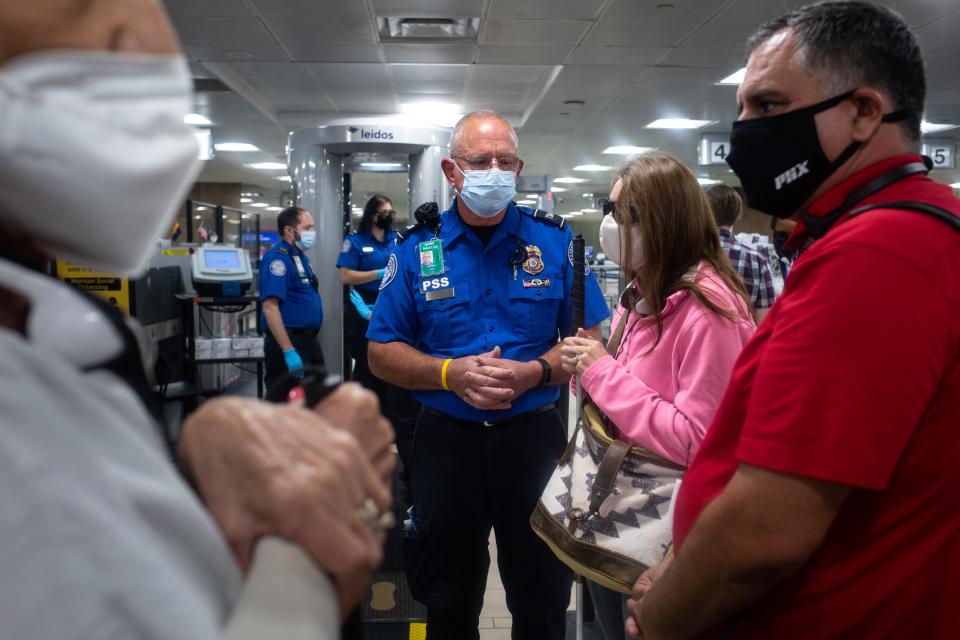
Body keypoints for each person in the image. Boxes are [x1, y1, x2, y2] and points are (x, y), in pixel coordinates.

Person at [0, 1, 394, 637]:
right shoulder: (17, 403)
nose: (138, 31)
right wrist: (310, 540)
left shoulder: (62, 332)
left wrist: (198, 467)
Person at [626, 2, 960, 638]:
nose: (744, 129)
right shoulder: (908, 228)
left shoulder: (878, 254)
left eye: (769, 106)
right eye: (744, 107)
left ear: (863, 112)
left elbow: (767, 530)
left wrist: (662, 617)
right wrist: (682, 555)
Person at [367, 110, 610, 640]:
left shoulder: (555, 244)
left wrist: (535, 371)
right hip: (445, 443)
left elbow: (593, 335)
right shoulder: (415, 250)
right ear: (453, 171)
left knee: (542, 594)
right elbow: (381, 351)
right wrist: (449, 372)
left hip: (533, 440)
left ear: (519, 168)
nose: (494, 170)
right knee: (448, 600)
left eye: (506, 161)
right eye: (481, 161)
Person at [560, 153, 755, 640]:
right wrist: (587, 369)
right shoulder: (646, 291)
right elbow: (634, 390)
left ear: (664, 222)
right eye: (610, 207)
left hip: (663, 534)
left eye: (624, 213)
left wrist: (602, 374)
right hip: (618, 515)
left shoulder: (709, 310)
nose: (610, 224)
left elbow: (700, 440)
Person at [259, 206, 324, 391]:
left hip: (308, 341)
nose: (313, 232)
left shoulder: (299, 257)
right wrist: (288, 350)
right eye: (308, 228)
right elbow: (270, 307)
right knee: (285, 402)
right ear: (289, 230)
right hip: (288, 342)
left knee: (314, 398)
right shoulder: (278, 259)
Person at [337, 194, 397, 396]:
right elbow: (345, 276)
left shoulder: (396, 239)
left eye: (390, 212)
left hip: (391, 303)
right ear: (372, 215)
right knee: (366, 364)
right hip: (363, 304)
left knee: (391, 360)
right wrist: (378, 273)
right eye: (383, 213)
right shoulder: (355, 241)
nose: (387, 216)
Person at [705, 184, 776, 323]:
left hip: (695, 342)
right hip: (742, 342)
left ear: (704, 212)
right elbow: (764, 321)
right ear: (738, 214)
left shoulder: (687, 254)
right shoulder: (757, 259)